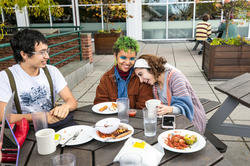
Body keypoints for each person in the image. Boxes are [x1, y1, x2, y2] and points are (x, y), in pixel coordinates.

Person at [0, 29, 78, 129]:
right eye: (42, 52)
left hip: (53, 124)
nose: (47, 56)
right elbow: (2, 116)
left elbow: (72, 101)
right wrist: (39, 117)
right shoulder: (5, 77)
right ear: (24, 54)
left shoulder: (51, 71)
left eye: (47, 51)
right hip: (27, 130)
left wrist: (65, 107)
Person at [134, 54, 206, 134]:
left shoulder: (175, 78)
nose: (141, 80)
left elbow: (186, 107)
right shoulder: (155, 83)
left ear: (151, 69)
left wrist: (170, 109)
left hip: (192, 120)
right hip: (171, 120)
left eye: (141, 74)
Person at [94, 36, 153, 109]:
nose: (128, 63)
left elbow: (144, 105)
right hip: (112, 118)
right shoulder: (106, 79)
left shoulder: (141, 77)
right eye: (123, 58)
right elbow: (100, 103)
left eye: (132, 58)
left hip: (135, 118)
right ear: (115, 56)